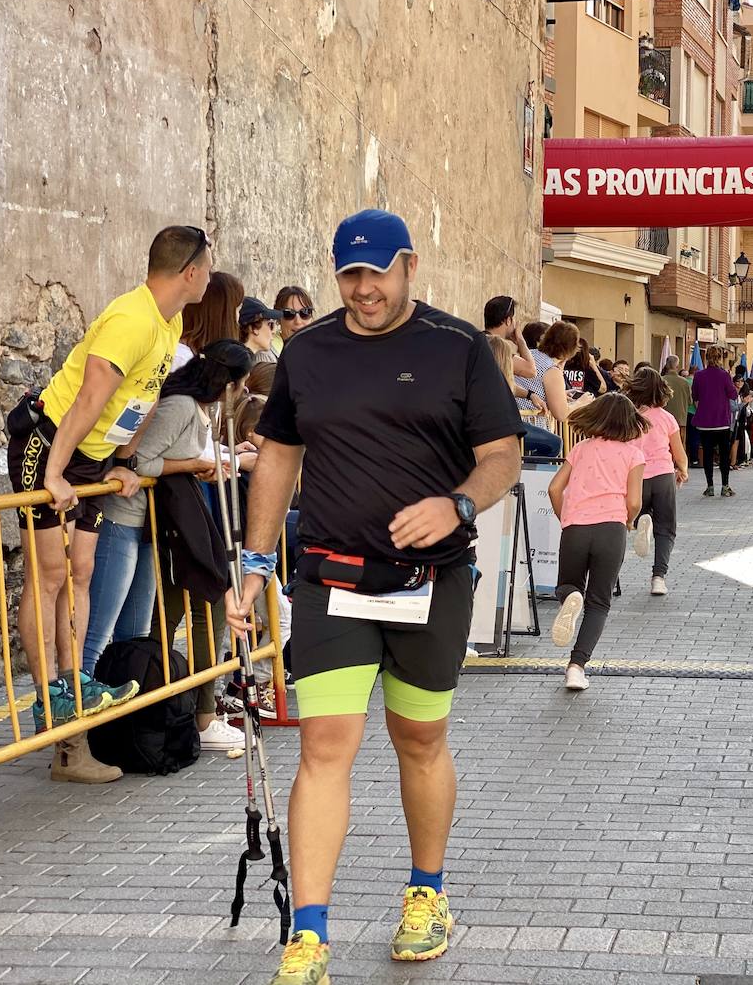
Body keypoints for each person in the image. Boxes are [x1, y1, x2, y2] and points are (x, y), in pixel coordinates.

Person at [225, 209, 523, 982]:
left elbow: (503, 455)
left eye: (377, 273)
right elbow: (279, 457)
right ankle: (309, 934)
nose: (363, 290)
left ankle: (427, 892)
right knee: (325, 746)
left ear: (408, 267)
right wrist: (255, 562)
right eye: (350, 275)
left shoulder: (458, 348)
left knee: (418, 740)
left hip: (431, 582)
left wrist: (456, 504)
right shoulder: (308, 351)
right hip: (332, 577)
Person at [7, 225, 210, 783]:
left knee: (82, 570)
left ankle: (75, 683)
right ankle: (50, 689)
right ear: (189, 270)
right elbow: (89, 397)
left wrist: (124, 460)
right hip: (49, 442)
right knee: (47, 574)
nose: (210, 278)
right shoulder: (130, 318)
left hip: (94, 457)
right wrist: (52, 470)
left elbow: (143, 397)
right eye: (207, 269)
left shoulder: (170, 324)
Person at [82, 339, 253, 752]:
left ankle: (129, 728)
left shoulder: (198, 409)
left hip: (149, 526)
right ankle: (76, 735)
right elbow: (137, 462)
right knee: (100, 629)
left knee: (136, 631)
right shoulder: (179, 407)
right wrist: (194, 466)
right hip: (124, 520)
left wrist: (205, 467)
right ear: (226, 383)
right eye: (242, 385)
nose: (244, 394)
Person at [547, 393, 647, 690]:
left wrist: (565, 517)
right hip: (611, 529)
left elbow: (554, 488)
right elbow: (634, 501)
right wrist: (628, 521)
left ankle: (570, 599)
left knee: (567, 585)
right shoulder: (633, 454)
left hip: (576, 527)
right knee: (599, 602)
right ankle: (576, 668)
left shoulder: (580, 448)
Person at [624, 368, 687, 596]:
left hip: (635, 476)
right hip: (662, 475)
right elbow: (678, 453)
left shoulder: (629, 416)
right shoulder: (667, 418)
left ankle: (642, 519)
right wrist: (683, 470)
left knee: (625, 522)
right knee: (667, 529)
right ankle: (658, 578)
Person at [488, 334, 560, 457]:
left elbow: (510, 386)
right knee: (554, 443)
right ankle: (531, 473)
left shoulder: (479, 376)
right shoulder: (496, 377)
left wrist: (530, 395)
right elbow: (530, 371)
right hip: (502, 427)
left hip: (494, 426)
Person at [691, 346, 737, 497]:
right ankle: (725, 486)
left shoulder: (698, 375)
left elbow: (695, 396)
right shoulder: (724, 375)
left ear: (706, 358)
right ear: (720, 358)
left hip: (704, 422)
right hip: (722, 420)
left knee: (708, 454)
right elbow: (732, 394)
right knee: (724, 455)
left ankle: (710, 486)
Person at [176, 270, 243, 371]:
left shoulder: (198, 358)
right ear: (221, 315)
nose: (238, 318)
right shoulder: (182, 360)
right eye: (237, 309)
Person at [482, 294, 537, 382]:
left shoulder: (480, 340)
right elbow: (531, 371)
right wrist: (520, 340)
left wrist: (529, 394)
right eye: (513, 319)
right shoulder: (495, 347)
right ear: (508, 321)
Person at [239, 295, 282, 366]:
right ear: (254, 328)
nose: (273, 331)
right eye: (270, 325)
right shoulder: (241, 364)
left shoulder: (242, 360)